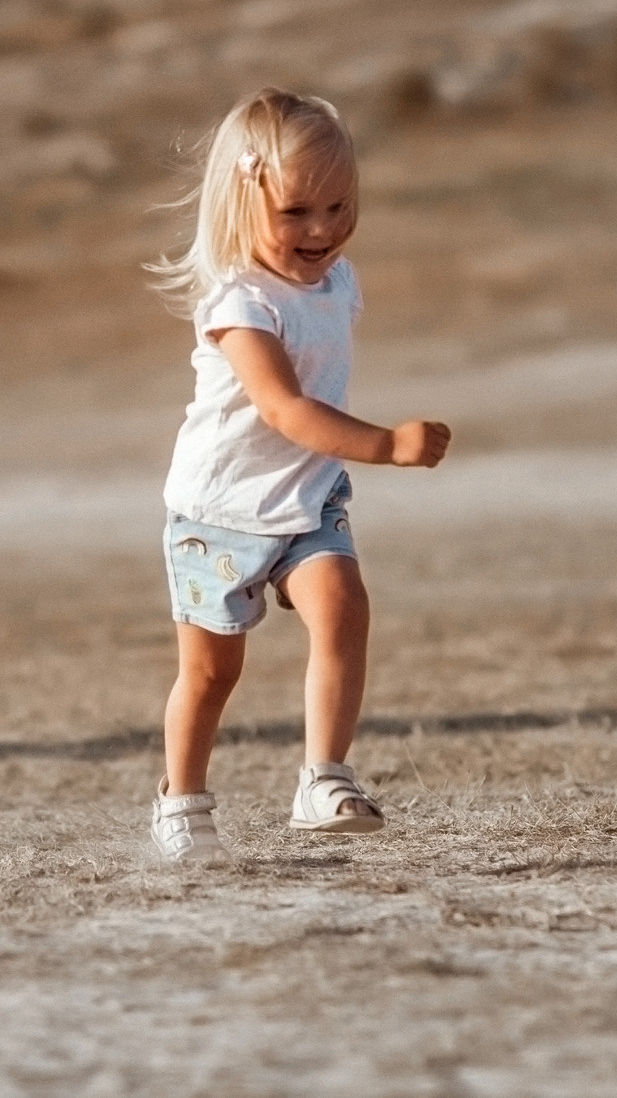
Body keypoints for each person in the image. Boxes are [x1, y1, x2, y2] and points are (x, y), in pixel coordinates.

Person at [146, 87, 452, 862]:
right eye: (295, 213)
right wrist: (386, 445)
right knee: (212, 672)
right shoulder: (239, 303)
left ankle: (324, 775)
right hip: (219, 510)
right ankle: (180, 797)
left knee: (343, 605)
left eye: (338, 206)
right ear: (241, 204)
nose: (321, 230)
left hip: (307, 499)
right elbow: (283, 408)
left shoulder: (337, 283)